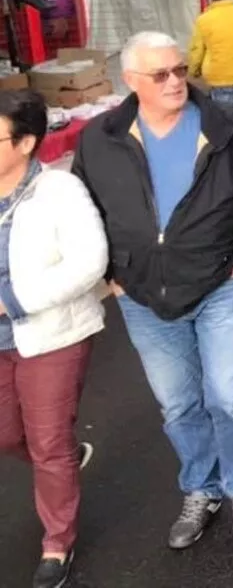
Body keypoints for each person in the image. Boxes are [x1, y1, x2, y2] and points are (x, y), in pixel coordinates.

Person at [72, 31, 233, 553]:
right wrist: (112, 274)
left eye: (179, 70)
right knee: (179, 405)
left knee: (230, 393)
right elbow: (85, 211)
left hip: (220, 284)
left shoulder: (228, 126)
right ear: (131, 81)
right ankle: (202, 487)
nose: (175, 81)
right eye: (161, 75)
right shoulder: (100, 138)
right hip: (143, 294)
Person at [0, 90, 108, 588]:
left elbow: (89, 263)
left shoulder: (60, 191)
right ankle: (65, 455)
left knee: (46, 442)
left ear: (25, 143)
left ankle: (57, 542)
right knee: (7, 434)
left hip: (50, 335)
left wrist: (15, 300)